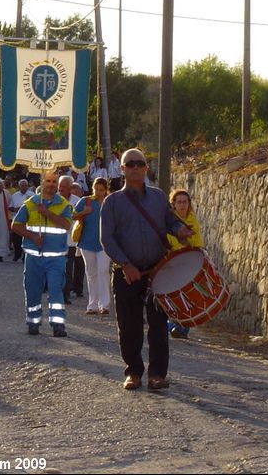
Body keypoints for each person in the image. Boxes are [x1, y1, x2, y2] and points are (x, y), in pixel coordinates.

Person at [100, 148, 192, 391]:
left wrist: (179, 230)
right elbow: (107, 239)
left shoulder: (159, 197)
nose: (135, 167)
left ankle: (157, 375)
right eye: (130, 164)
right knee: (129, 326)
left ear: (146, 168)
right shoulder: (112, 202)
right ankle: (133, 372)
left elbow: (169, 220)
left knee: (159, 326)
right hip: (126, 273)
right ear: (122, 169)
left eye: (140, 163)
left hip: (155, 272)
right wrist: (125, 264)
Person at [11, 170, 73, 337]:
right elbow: (15, 226)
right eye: (48, 181)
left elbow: (67, 225)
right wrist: (32, 236)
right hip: (34, 257)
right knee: (32, 290)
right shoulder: (30, 204)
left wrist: (47, 213)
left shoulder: (63, 204)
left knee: (56, 290)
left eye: (54, 181)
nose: (51, 184)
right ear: (42, 182)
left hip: (56, 258)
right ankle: (33, 322)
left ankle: (58, 324)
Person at [165, 188, 204, 339]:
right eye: (179, 202)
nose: (182, 205)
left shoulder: (192, 220)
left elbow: (197, 242)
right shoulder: (169, 221)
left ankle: (182, 328)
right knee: (173, 297)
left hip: (188, 262)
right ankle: (172, 325)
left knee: (189, 297)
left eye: (185, 202)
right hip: (171, 262)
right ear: (173, 204)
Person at [73, 177, 111, 315]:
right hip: (87, 242)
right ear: (93, 188)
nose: (99, 192)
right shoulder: (86, 201)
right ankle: (92, 304)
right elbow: (73, 215)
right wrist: (84, 212)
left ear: (106, 190)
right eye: (96, 189)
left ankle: (105, 304)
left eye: (102, 190)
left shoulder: (110, 202)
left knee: (103, 271)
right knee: (91, 273)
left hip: (105, 243)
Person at [58, 175, 80, 305]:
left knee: (67, 268)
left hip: (70, 241)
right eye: (60, 187)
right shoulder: (53, 199)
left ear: (71, 188)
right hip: (55, 240)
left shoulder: (77, 201)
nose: (61, 190)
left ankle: (65, 295)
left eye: (64, 187)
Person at [9, 179, 34, 262]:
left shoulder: (32, 195)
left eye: (25, 185)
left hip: (28, 220)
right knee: (16, 239)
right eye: (22, 185)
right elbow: (10, 207)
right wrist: (15, 209)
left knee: (26, 238)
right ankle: (17, 255)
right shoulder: (15, 195)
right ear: (19, 186)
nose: (24, 187)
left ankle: (24, 256)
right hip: (17, 219)